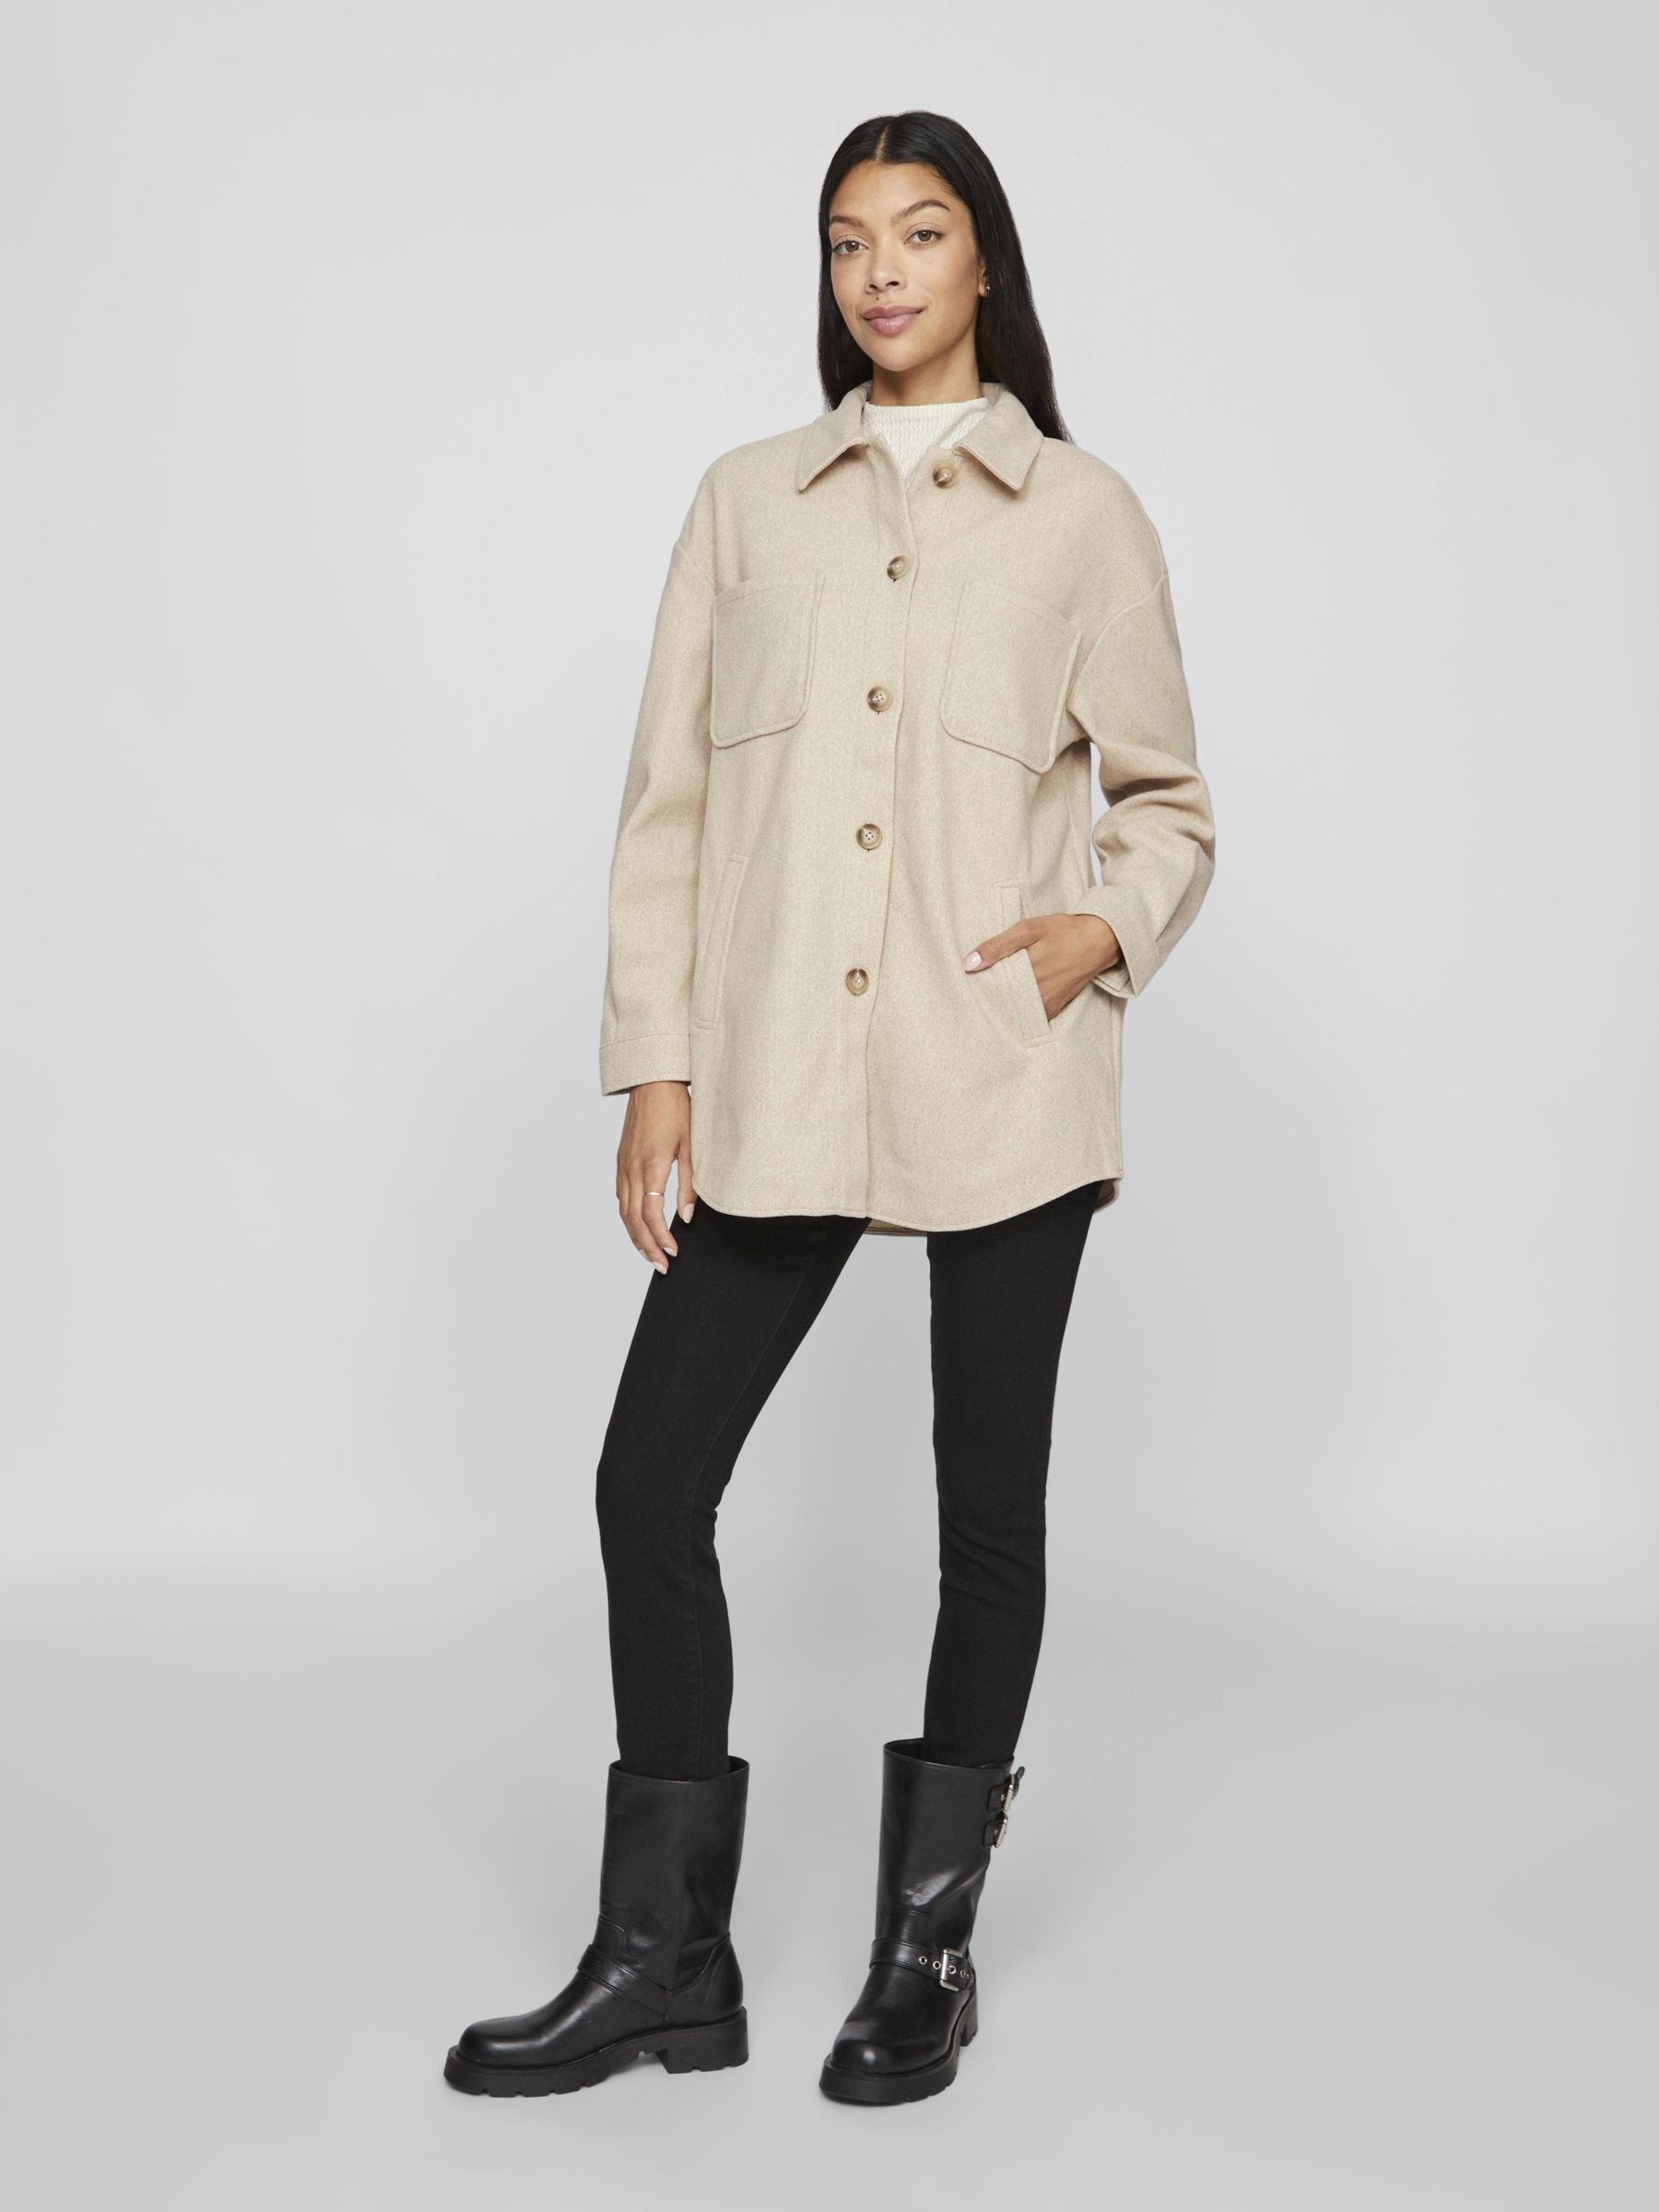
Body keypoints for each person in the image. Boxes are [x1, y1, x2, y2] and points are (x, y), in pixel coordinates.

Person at [442, 108, 1216, 2109]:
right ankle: (665, 1965)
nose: (881, 272)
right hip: (779, 1062)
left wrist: (1098, 932)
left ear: (984, 263)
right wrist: (658, 1065)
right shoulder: (744, 505)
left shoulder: (1084, 515)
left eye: (921, 234)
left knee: (987, 1524)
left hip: (1000, 1072)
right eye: (851, 240)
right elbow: (668, 807)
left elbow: (1168, 801)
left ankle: (920, 1960)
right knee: (650, 1484)